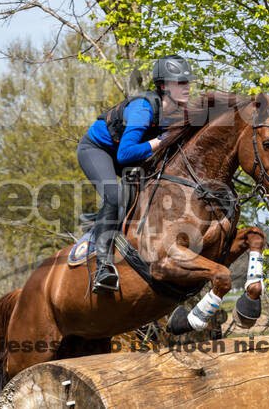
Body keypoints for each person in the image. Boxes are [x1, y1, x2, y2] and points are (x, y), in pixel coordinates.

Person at [77, 55, 197, 293]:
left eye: (187, 82)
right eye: (180, 83)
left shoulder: (182, 111)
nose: (187, 87)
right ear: (164, 87)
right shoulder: (143, 109)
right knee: (114, 196)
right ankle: (103, 268)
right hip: (99, 150)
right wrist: (162, 140)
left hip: (130, 153)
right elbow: (125, 154)